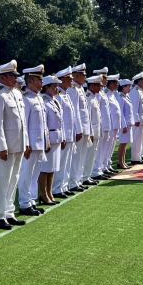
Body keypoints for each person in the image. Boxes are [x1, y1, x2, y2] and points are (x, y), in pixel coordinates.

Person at [0, 60, 29, 230]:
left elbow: (22, 122)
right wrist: (1, 147)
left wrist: (26, 142)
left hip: (18, 144)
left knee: (14, 179)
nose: (16, 79)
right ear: (3, 77)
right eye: (13, 76)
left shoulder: (17, 94)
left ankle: (9, 212)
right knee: (2, 181)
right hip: (6, 147)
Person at [18, 64, 48, 216]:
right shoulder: (26, 99)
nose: (42, 83)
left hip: (39, 143)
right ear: (31, 81)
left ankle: (31, 201)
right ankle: (24, 203)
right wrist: (27, 144)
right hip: (30, 144)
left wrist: (46, 140)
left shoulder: (38, 98)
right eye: (39, 80)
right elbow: (24, 124)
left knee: (34, 174)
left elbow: (42, 124)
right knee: (26, 174)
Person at [38, 75, 63, 205]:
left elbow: (60, 122)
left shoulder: (55, 100)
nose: (56, 88)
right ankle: (43, 194)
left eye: (56, 86)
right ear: (46, 87)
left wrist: (62, 137)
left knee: (53, 168)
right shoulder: (44, 101)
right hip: (49, 138)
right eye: (53, 86)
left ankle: (50, 192)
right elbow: (44, 124)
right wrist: (46, 140)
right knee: (45, 168)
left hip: (57, 137)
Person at [53, 66, 77, 199]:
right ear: (62, 80)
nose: (71, 81)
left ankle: (64, 185)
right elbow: (59, 119)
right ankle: (57, 188)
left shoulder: (66, 95)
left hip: (70, 133)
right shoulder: (59, 96)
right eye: (69, 79)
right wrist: (63, 136)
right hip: (64, 135)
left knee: (67, 162)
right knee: (61, 163)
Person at [68, 63, 91, 191]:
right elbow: (75, 111)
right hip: (80, 128)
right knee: (76, 158)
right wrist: (78, 129)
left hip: (85, 127)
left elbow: (85, 111)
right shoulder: (72, 89)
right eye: (83, 75)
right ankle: (72, 182)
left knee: (82, 156)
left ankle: (78, 179)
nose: (85, 78)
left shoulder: (80, 89)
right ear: (76, 75)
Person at [91, 67, 115, 180]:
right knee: (99, 149)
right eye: (103, 77)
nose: (106, 79)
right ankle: (97, 169)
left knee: (104, 149)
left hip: (106, 124)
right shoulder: (97, 93)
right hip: (100, 125)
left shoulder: (103, 92)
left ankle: (102, 167)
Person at [83, 75, 103, 183]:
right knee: (88, 155)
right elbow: (88, 117)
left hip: (96, 131)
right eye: (98, 85)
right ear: (92, 86)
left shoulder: (94, 98)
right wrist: (90, 132)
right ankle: (85, 176)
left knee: (92, 155)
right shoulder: (88, 98)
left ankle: (88, 175)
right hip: (92, 131)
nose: (100, 87)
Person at [106, 74, 123, 171]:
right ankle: (103, 167)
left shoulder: (113, 94)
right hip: (110, 125)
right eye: (116, 83)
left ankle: (108, 165)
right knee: (106, 148)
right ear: (111, 83)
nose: (118, 85)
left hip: (115, 126)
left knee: (111, 147)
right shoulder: (107, 95)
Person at [116, 79, 134, 169]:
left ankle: (123, 161)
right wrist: (123, 125)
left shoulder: (126, 96)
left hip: (129, 123)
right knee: (123, 144)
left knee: (125, 143)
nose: (129, 88)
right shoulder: (120, 97)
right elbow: (121, 113)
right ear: (123, 87)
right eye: (128, 86)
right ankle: (120, 162)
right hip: (125, 125)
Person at [129, 72, 143, 165]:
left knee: (140, 140)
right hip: (137, 120)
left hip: (141, 119)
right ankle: (134, 159)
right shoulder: (135, 91)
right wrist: (136, 119)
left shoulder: (139, 91)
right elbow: (134, 107)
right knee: (136, 140)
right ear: (138, 81)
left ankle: (138, 157)